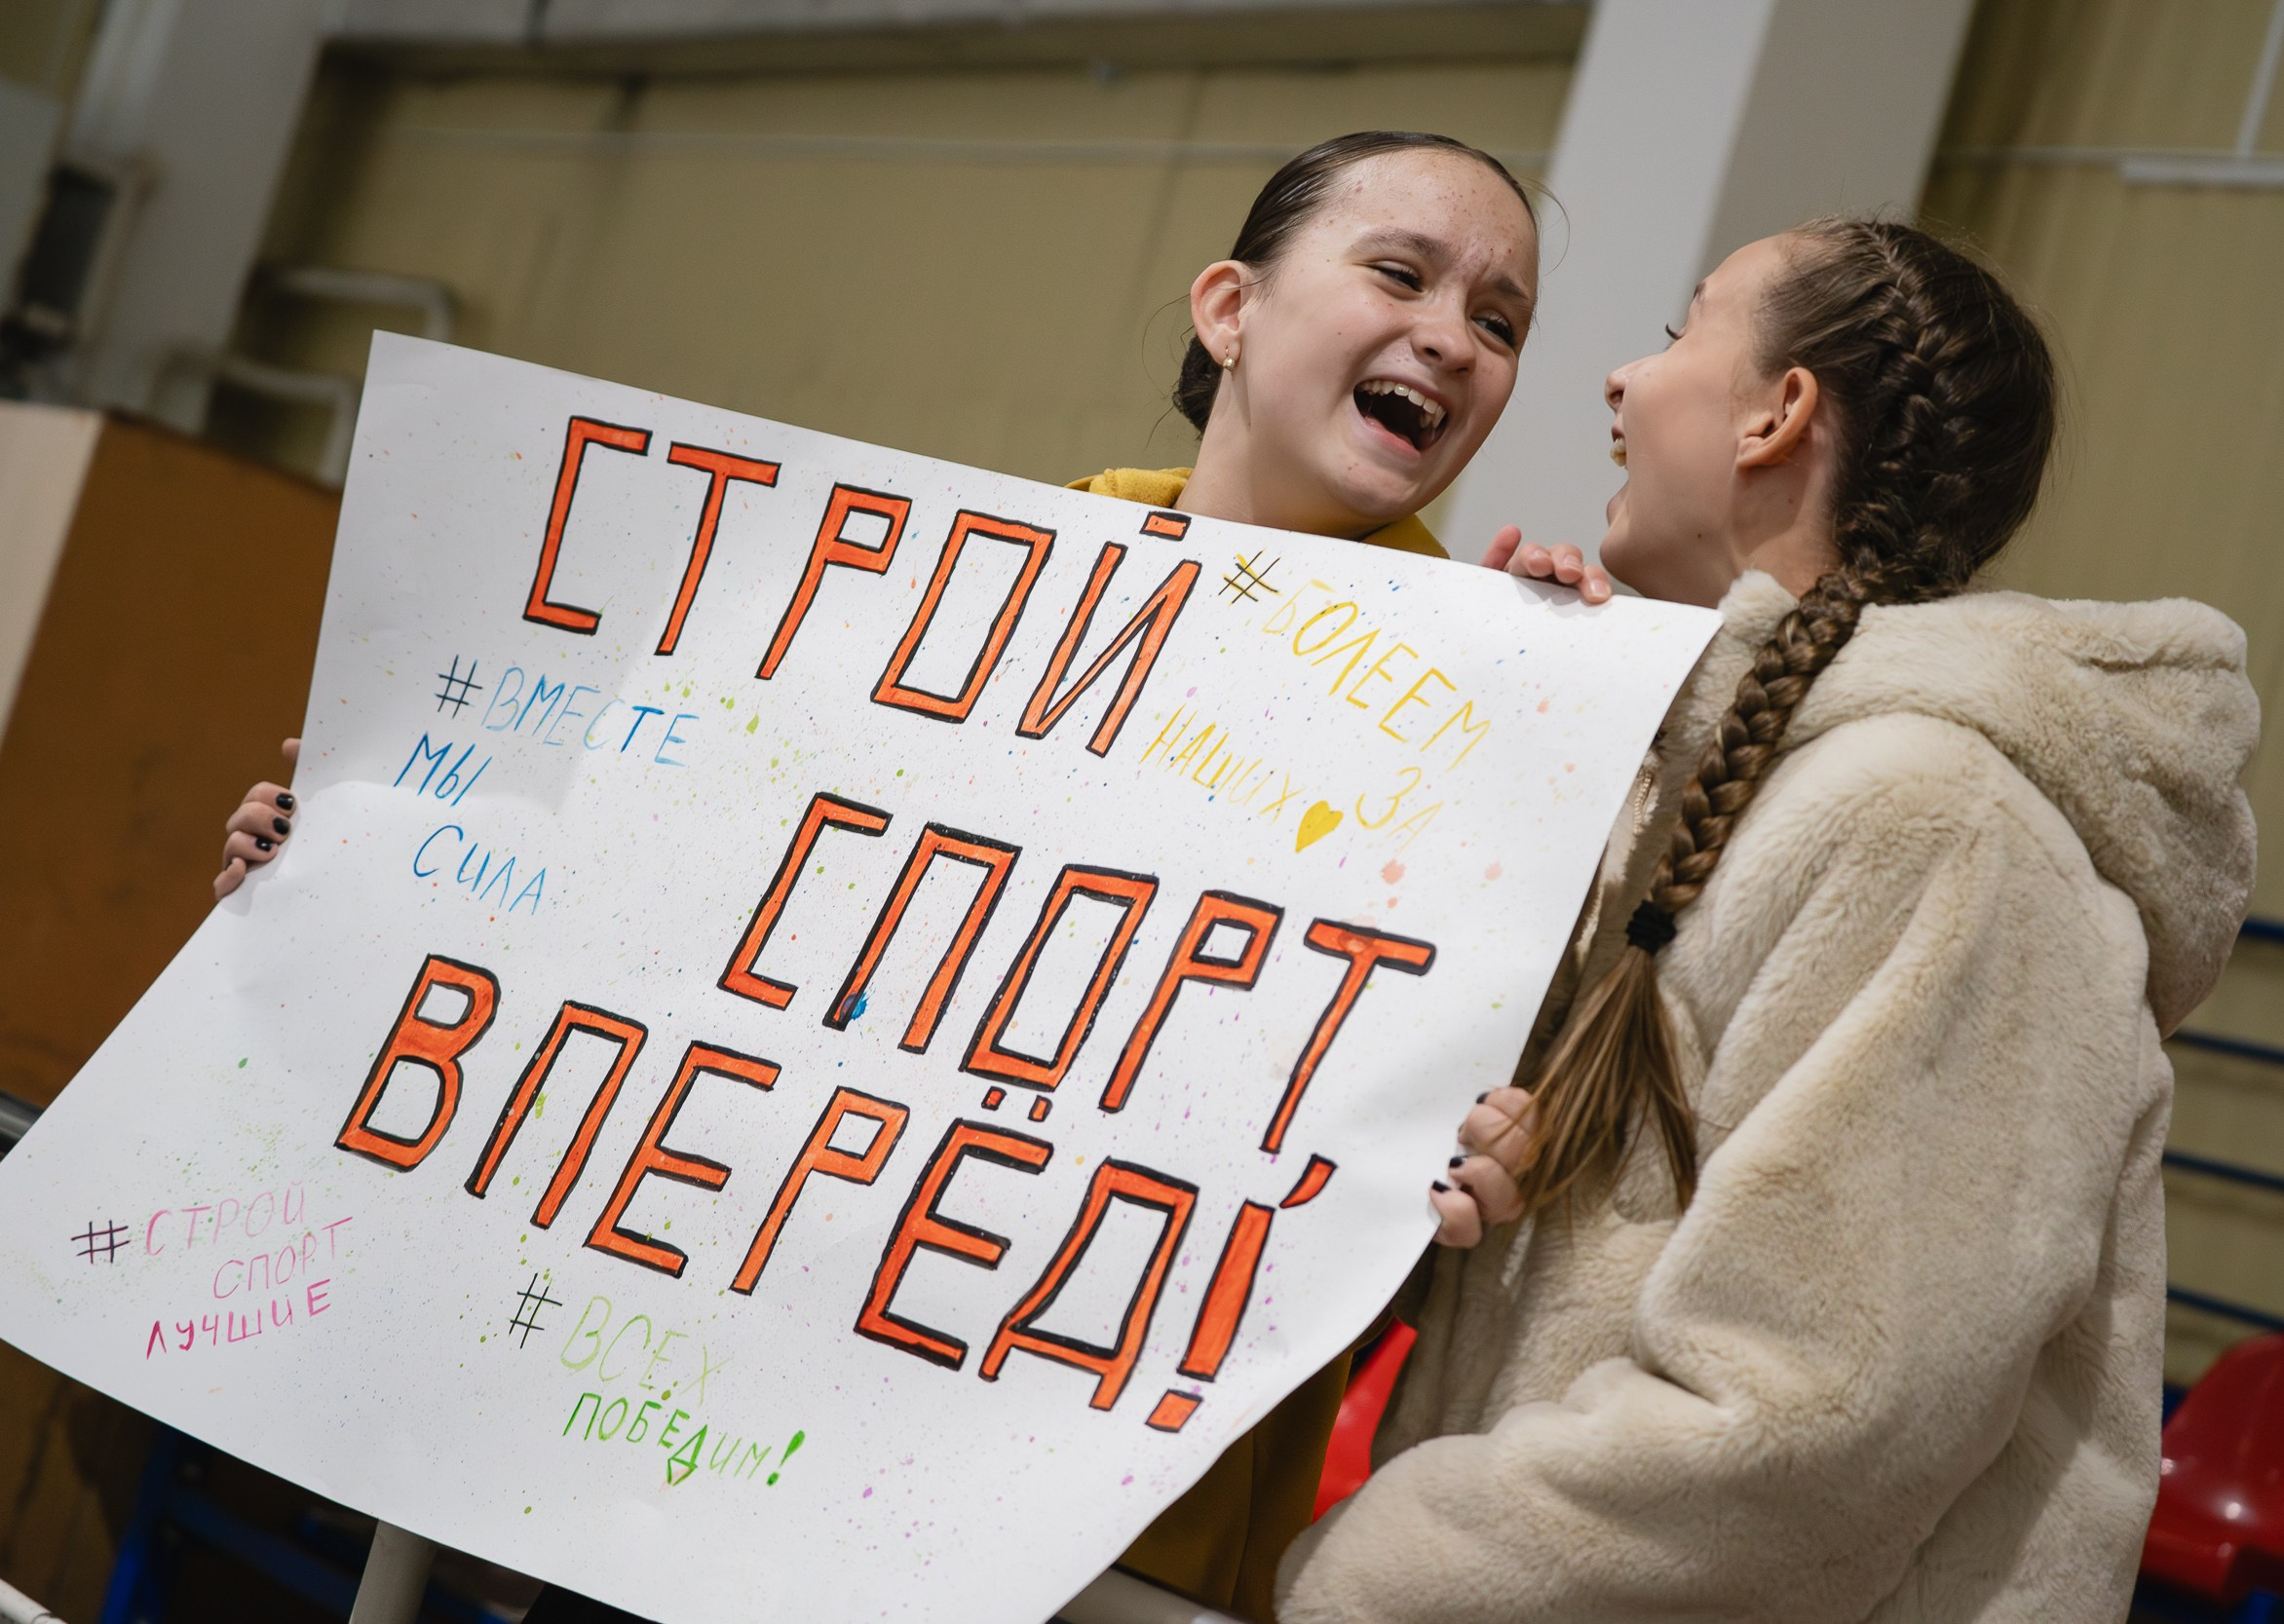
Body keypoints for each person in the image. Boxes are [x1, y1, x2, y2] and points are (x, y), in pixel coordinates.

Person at [210, 132, 1545, 1624]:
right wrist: (361, 870)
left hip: (1071, 1535)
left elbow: (1450, 1154)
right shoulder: (936, 599)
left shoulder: (1519, 727)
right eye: (1401, 273)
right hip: (728, 1438)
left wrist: (1485, 1156)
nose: (1452, 337)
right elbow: (659, 907)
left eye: (1501, 323)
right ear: (1230, 308)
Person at [1282, 219, 2257, 1622]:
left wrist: (1368, 1582)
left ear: (1777, 413)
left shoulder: (1939, 825)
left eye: (1681, 333)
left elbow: (1807, 1421)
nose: (1621, 378)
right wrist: (1510, 755)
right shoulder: (1716, 789)